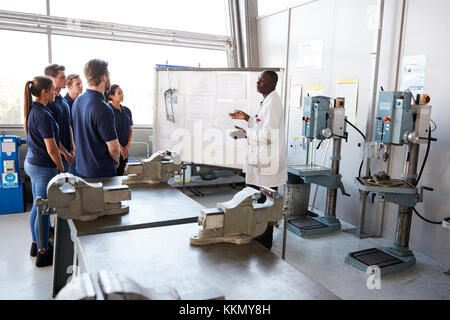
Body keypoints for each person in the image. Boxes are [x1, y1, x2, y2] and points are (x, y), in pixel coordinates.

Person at [229, 70, 287, 249]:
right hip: (262, 161)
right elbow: (262, 124)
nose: (258, 83)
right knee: (259, 200)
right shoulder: (267, 101)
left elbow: (268, 134)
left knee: (267, 204)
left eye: (261, 80)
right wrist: (247, 118)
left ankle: (265, 242)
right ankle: (259, 236)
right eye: (258, 80)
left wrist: (247, 133)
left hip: (269, 163)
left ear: (271, 83)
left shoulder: (273, 103)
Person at [23, 76, 64, 268]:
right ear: (45, 92)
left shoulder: (35, 110)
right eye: (53, 89)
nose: (56, 92)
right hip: (42, 167)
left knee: (36, 207)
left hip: (32, 163)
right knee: (43, 211)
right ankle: (43, 252)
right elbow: (51, 148)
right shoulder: (44, 115)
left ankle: (35, 245)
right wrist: (60, 166)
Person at [72, 59, 120, 178]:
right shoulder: (103, 108)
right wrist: (116, 159)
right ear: (104, 77)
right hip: (101, 173)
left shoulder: (78, 101)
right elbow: (113, 148)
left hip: (81, 169)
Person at [44, 64, 75, 174]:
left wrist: (72, 147)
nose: (66, 80)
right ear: (51, 78)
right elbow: (51, 134)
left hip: (68, 154)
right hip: (57, 156)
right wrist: (64, 152)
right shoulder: (48, 103)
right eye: (62, 77)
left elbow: (69, 125)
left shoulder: (64, 101)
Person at [106, 84, 134, 176]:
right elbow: (109, 132)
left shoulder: (127, 110)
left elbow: (130, 129)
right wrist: (121, 148)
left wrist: (127, 147)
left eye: (122, 93)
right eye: (119, 93)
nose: (122, 95)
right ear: (111, 96)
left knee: (121, 175)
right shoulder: (107, 110)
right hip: (113, 150)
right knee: (112, 176)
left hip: (125, 150)